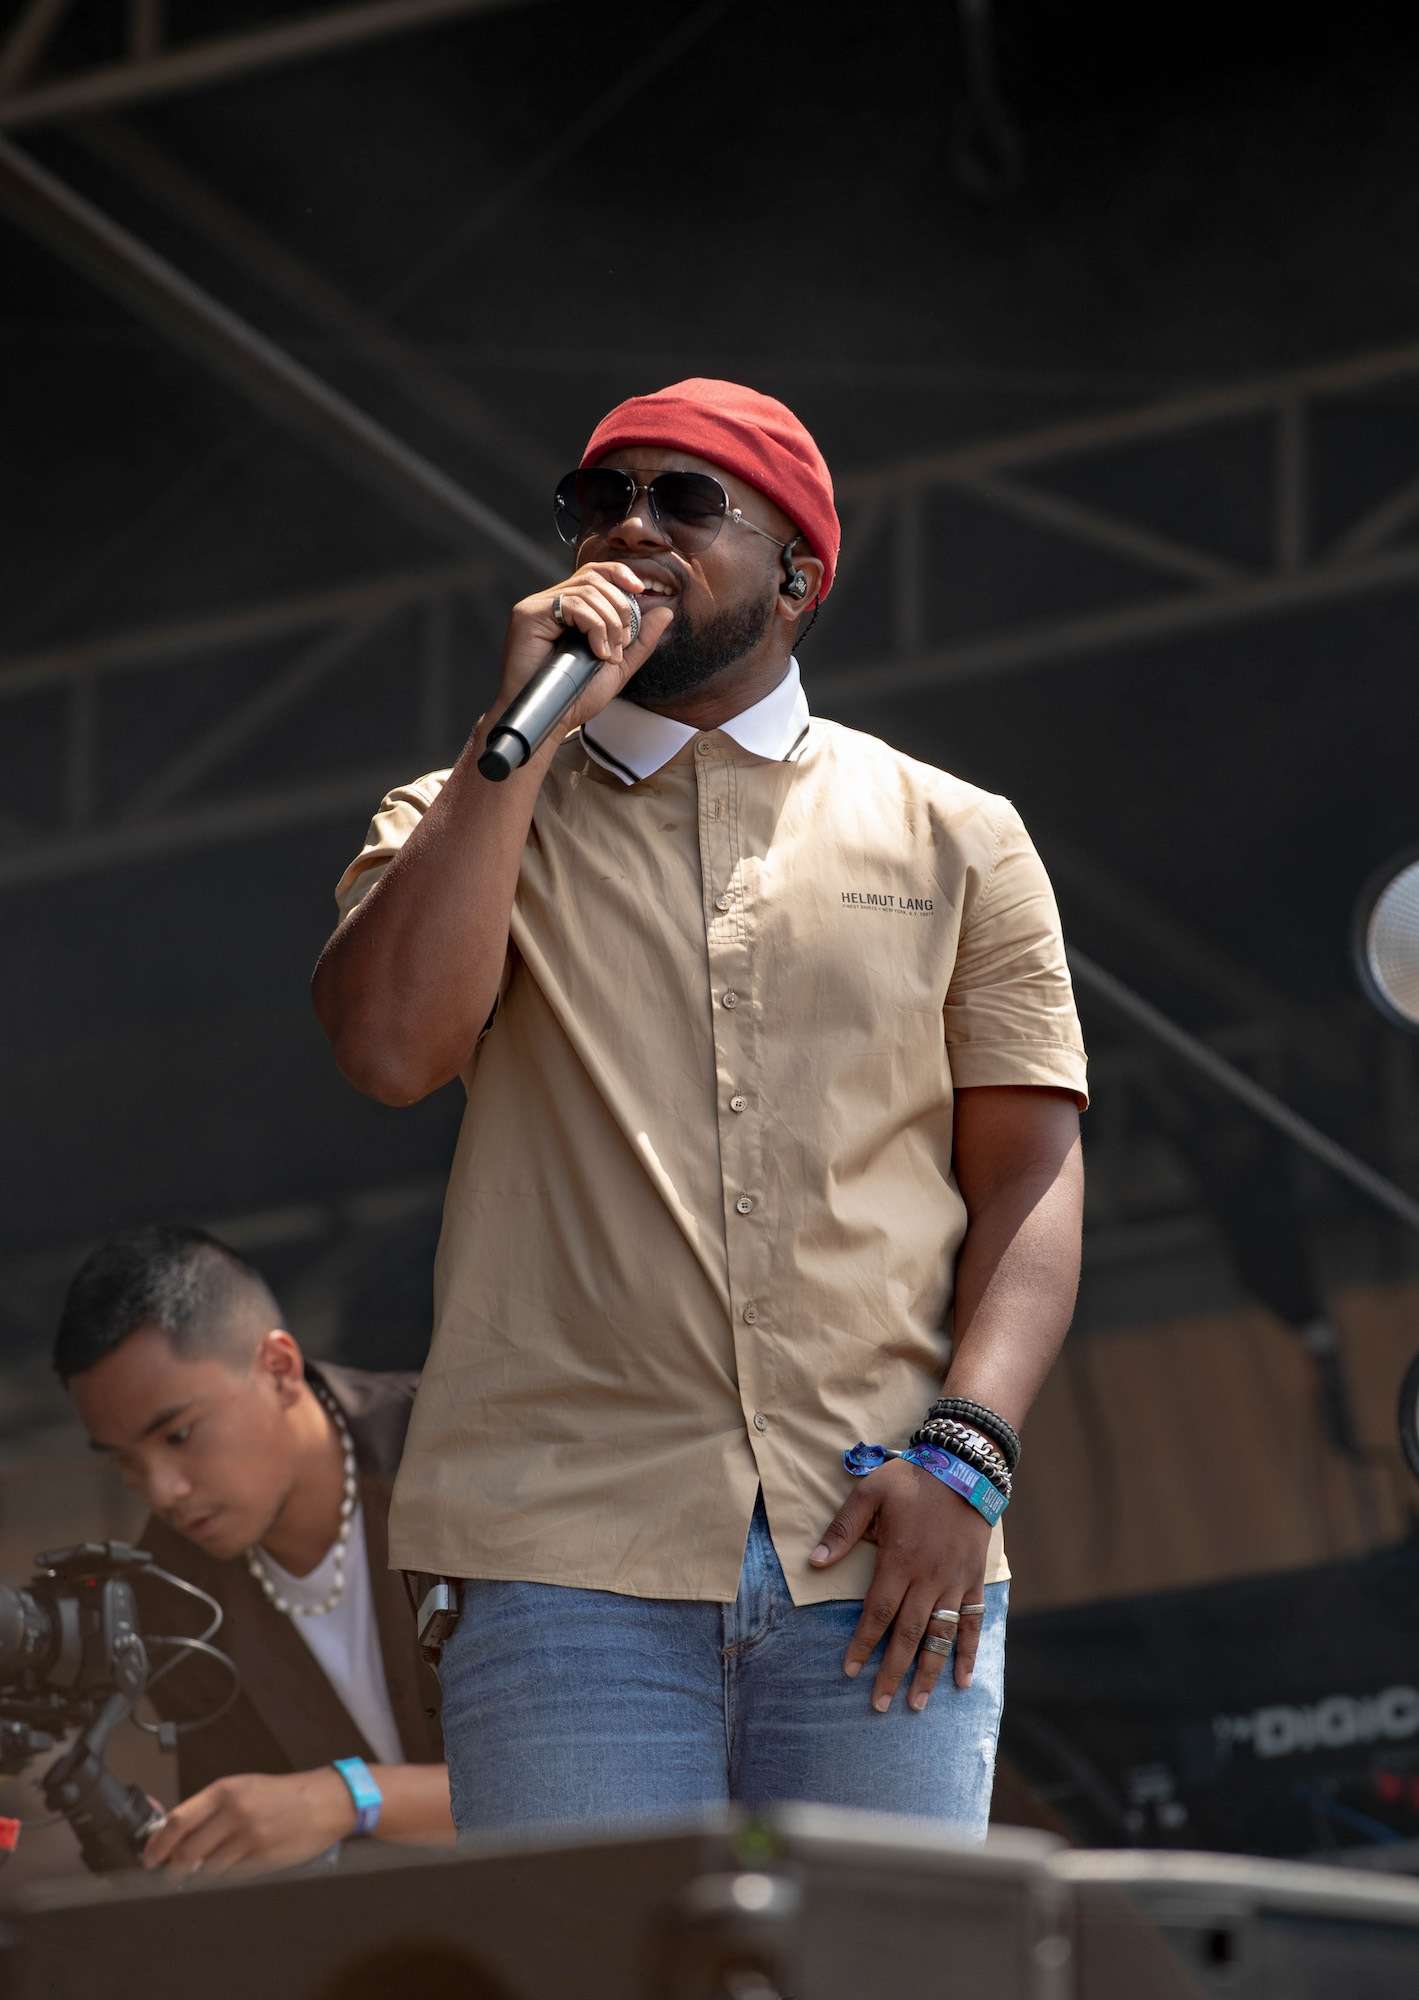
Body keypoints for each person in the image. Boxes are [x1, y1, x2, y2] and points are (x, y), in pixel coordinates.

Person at [312, 379, 1087, 1842]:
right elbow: (389, 1050)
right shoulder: (458, 812)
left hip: (881, 1543)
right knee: (597, 1955)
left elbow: (1029, 1178)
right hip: (560, 1563)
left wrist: (967, 1458)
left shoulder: (955, 833)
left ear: (797, 578)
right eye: (597, 500)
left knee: (876, 1951)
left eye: (684, 500)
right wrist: (510, 738)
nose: (629, 528)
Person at [53, 1225, 453, 1877]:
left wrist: (345, 1798)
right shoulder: (169, 1591)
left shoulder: (459, 1451)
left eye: (179, 1435)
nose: (161, 1491)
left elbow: (583, 1768)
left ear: (278, 1368)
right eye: (125, 1462)